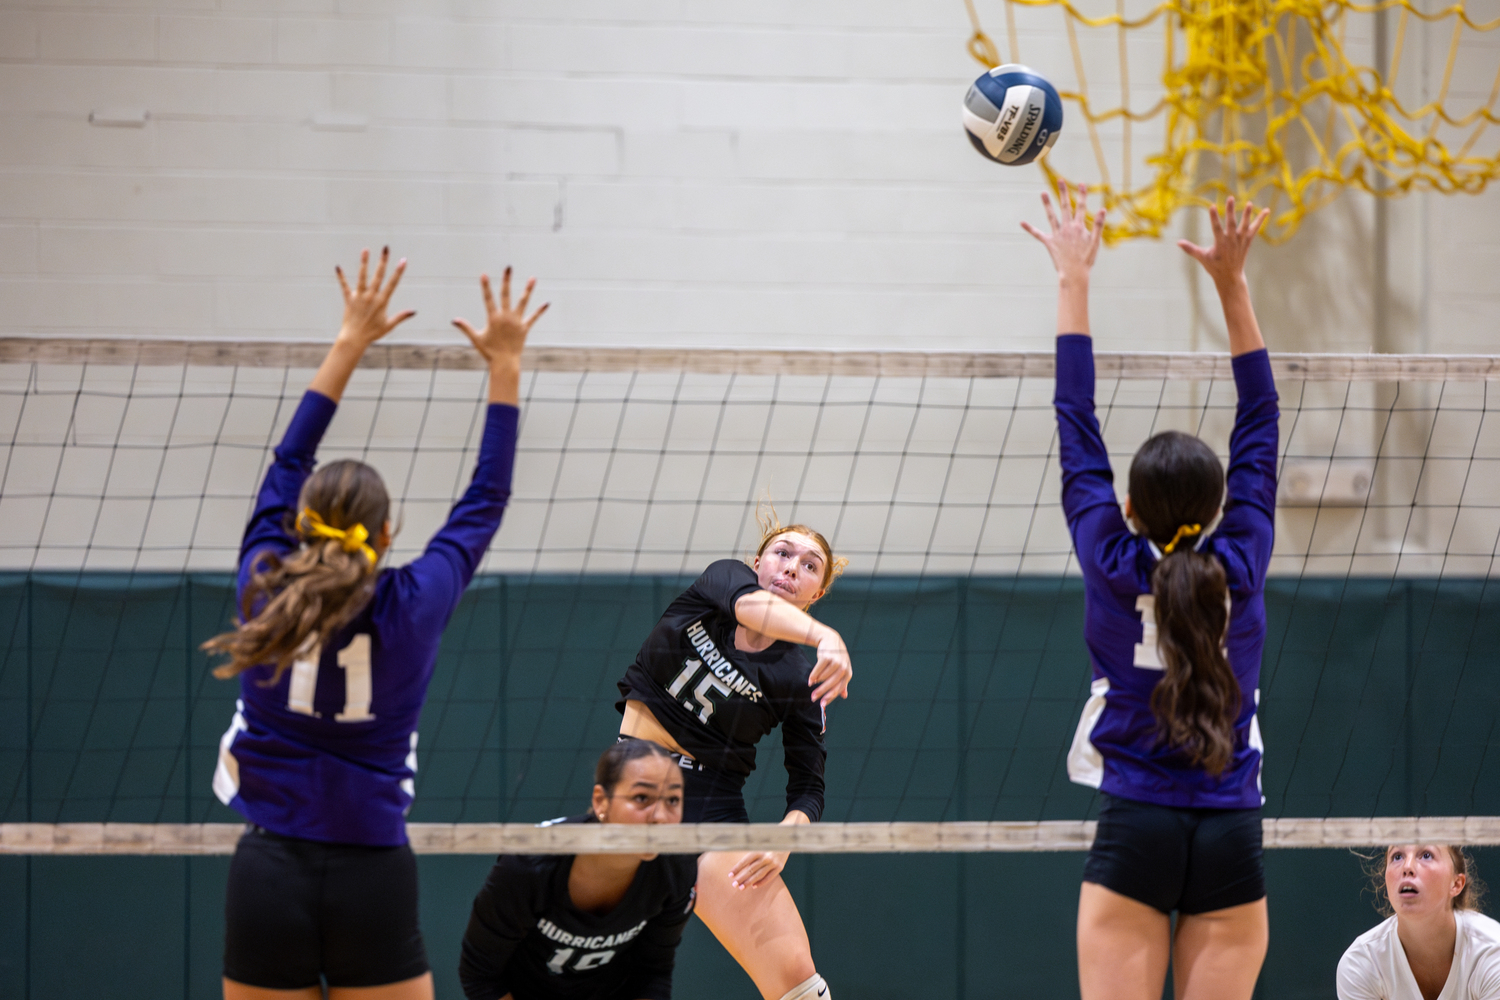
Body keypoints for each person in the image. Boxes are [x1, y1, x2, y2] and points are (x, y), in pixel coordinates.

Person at [204, 248, 549, 1000]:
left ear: (298, 524)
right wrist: (506, 365)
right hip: (372, 873)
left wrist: (349, 341)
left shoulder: (264, 583)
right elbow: (485, 500)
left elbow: (287, 457)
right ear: (387, 534)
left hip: (268, 871)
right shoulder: (416, 601)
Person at [1025, 183, 1279, 1000]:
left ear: (1131, 509)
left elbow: (1075, 419)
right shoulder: (1240, 559)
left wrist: (1074, 276)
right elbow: (1262, 420)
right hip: (1231, 824)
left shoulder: (1109, 554)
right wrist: (1233, 285)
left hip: (1136, 824)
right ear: (1216, 510)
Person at [614, 510, 852, 1000]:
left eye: (810, 566)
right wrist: (828, 636)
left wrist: (784, 840)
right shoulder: (720, 584)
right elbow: (750, 609)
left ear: (818, 594)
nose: (791, 568)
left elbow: (808, 786)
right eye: (782, 554)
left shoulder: (797, 678)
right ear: (757, 562)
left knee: (798, 983)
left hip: (709, 810)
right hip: (634, 788)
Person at [459, 739, 698, 1000]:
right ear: (601, 802)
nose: (660, 817)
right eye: (642, 798)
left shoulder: (676, 869)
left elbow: (653, 972)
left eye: (673, 800)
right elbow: (480, 976)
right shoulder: (528, 865)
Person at [1339, 844, 1500, 1000]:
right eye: (1397, 856)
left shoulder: (1493, 951)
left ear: (1456, 884)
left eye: (1426, 855)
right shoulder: (1360, 963)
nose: (1407, 867)